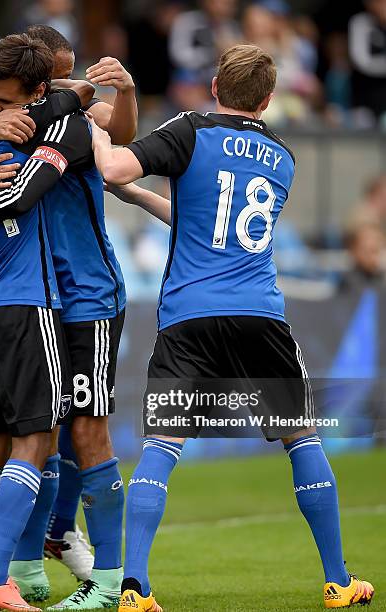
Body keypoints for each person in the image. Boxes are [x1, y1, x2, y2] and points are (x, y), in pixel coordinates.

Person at [90, 44, 375, 611]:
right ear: (268, 100)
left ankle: (135, 588)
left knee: (161, 446)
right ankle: (338, 581)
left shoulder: (191, 129)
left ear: (215, 86)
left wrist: (91, 129)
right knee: (301, 439)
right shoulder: (283, 157)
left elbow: (111, 166)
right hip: (259, 316)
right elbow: (215, 221)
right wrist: (144, 197)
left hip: (190, 317)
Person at [0, 27, 136, 610]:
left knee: (80, 433)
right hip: (37, 300)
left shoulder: (68, 125)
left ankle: (107, 578)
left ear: (40, 88)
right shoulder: (2, 129)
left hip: (87, 295)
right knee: (26, 433)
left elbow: (117, 137)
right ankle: (15, 569)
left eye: (5, 103)